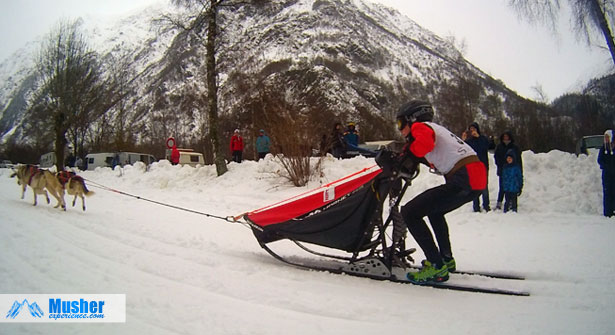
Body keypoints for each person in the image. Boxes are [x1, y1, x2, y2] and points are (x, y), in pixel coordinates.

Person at [377, 100, 486, 284]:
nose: (400, 129)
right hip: (475, 177)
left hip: (463, 177)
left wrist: (405, 155)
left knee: (410, 212)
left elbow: (423, 145)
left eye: (400, 124)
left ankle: (437, 267)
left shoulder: (421, 127)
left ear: (412, 120)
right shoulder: (437, 129)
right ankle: (445, 259)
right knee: (435, 212)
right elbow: (424, 156)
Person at [462, 122, 491, 212]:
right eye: (471, 130)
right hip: (474, 166)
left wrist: (478, 137)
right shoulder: (470, 141)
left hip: (483, 166)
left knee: (484, 186)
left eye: (474, 129)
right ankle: (476, 206)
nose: (472, 131)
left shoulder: (483, 139)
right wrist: (463, 140)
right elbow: (463, 150)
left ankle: (486, 205)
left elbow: (488, 146)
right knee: (474, 187)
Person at [494, 131, 522, 210]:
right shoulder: (499, 146)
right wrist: (500, 165)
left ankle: (511, 202)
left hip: (513, 170)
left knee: (512, 188)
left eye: (507, 137)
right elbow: (496, 157)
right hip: (502, 169)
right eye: (504, 137)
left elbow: (518, 159)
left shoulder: (514, 147)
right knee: (502, 186)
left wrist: (519, 168)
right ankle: (499, 202)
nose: (505, 138)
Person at [598, 129, 615, 217]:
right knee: (607, 193)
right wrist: (605, 166)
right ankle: (607, 212)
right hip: (607, 175)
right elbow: (600, 160)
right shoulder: (603, 148)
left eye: (608, 137)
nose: (607, 139)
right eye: (605, 138)